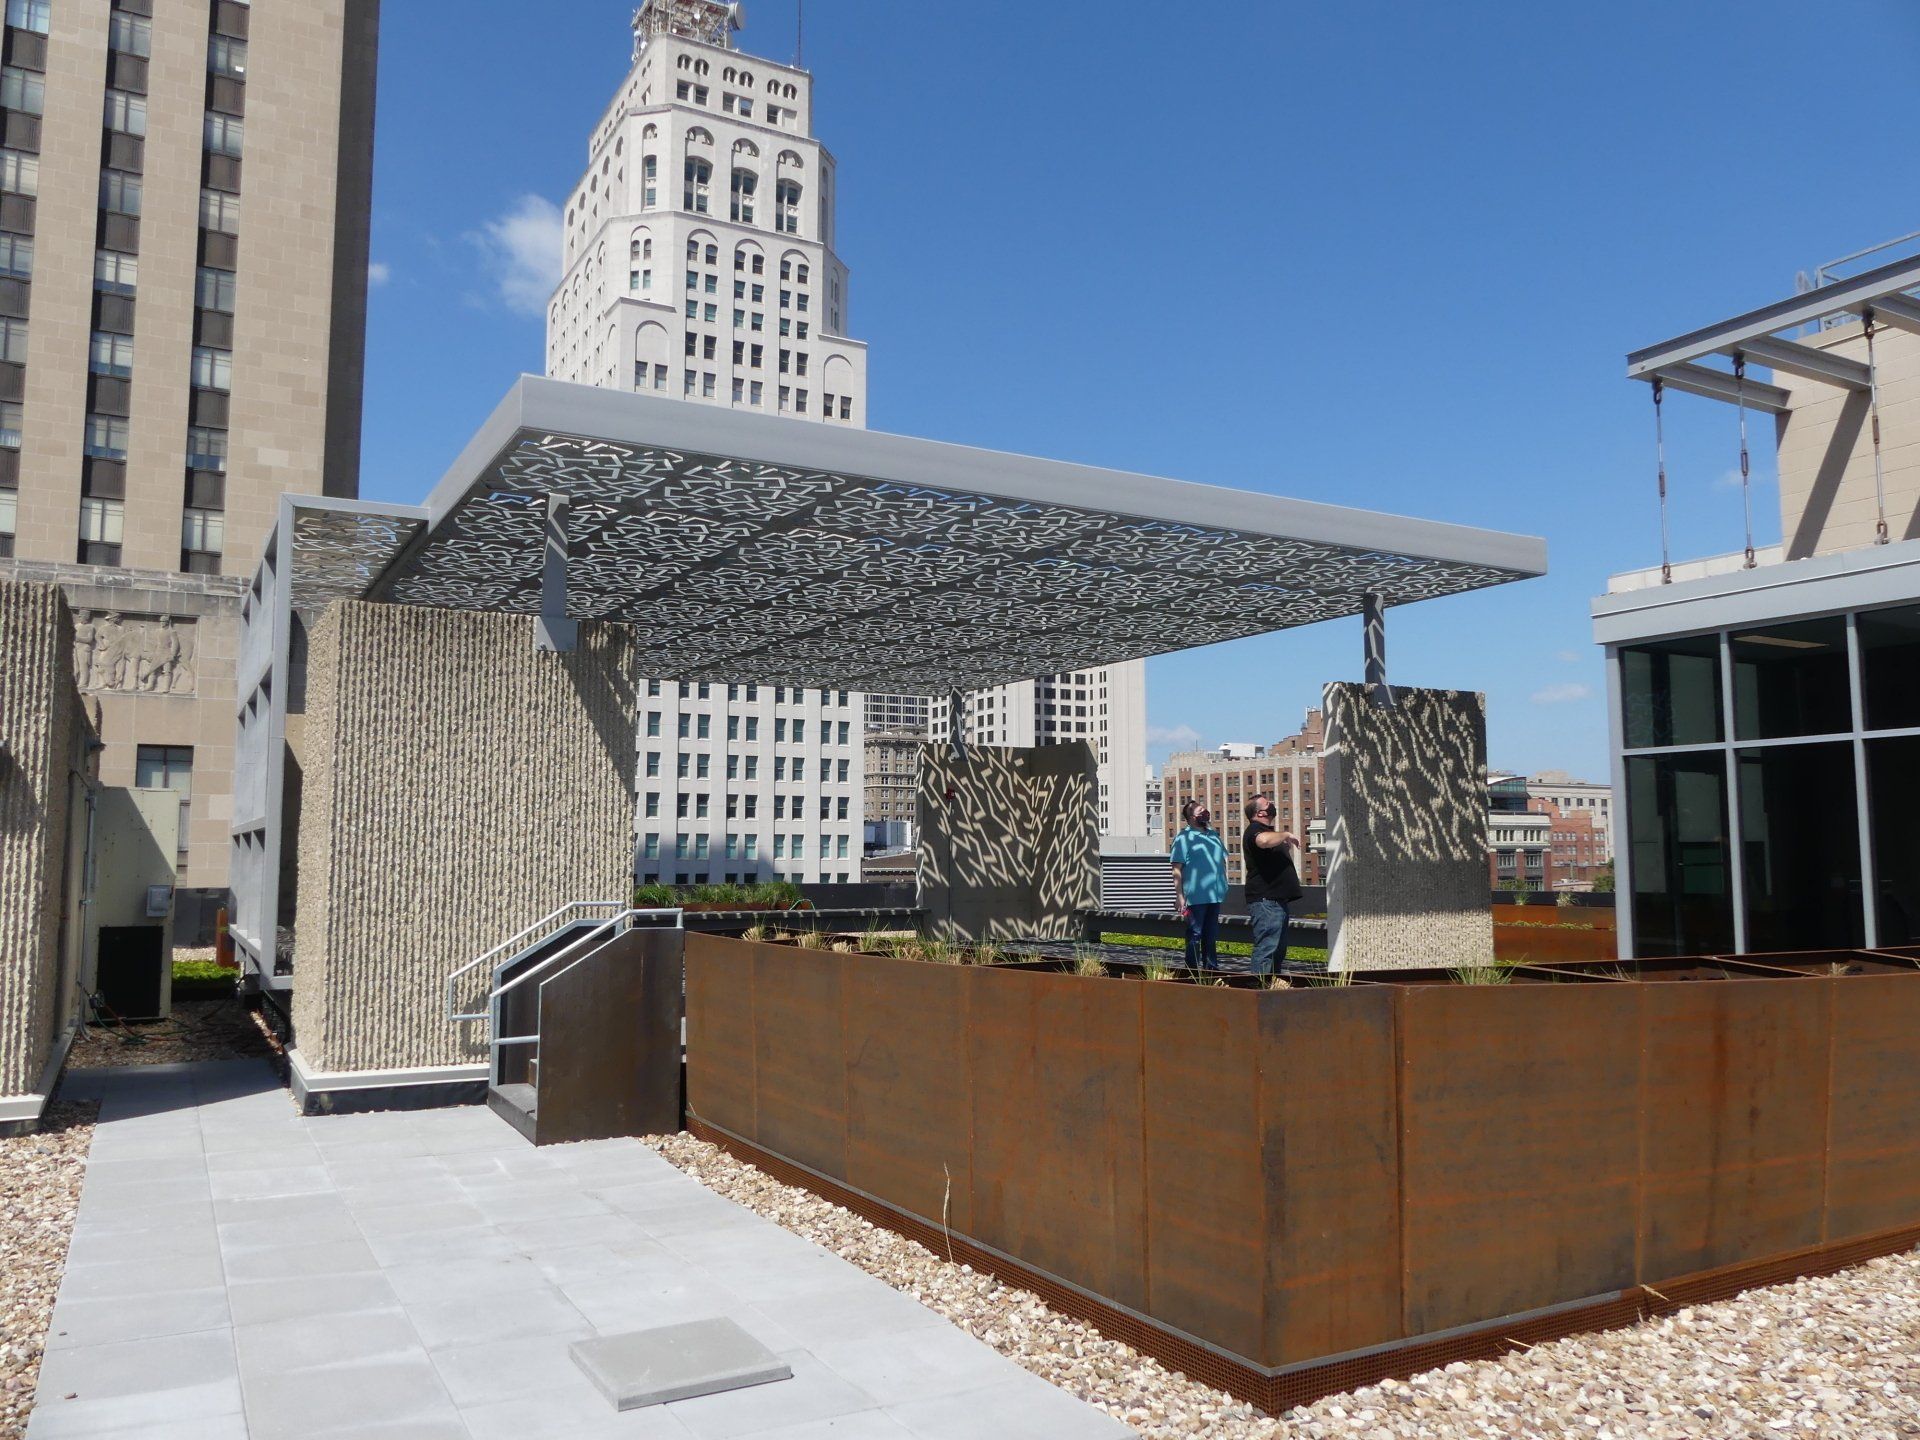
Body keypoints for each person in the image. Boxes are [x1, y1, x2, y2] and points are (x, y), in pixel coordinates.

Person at [1243, 794, 1303, 977]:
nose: (1272, 806)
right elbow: (1263, 841)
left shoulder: (1268, 832)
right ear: (1260, 813)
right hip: (1266, 901)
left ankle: (1272, 985)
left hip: (1277, 901)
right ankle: (1259, 987)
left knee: (1278, 948)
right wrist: (1285, 834)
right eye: (1267, 804)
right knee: (1267, 946)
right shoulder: (1255, 830)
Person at [1169, 798, 1228, 971]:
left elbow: (1222, 860)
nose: (1205, 813)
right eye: (1200, 811)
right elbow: (1176, 868)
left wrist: (1224, 882)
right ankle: (1192, 970)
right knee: (1195, 934)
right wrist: (1179, 896)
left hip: (1214, 895)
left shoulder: (1213, 835)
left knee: (1211, 935)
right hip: (1195, 896)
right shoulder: (1183, 838)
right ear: (1191, 817)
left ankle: (1211, 970)